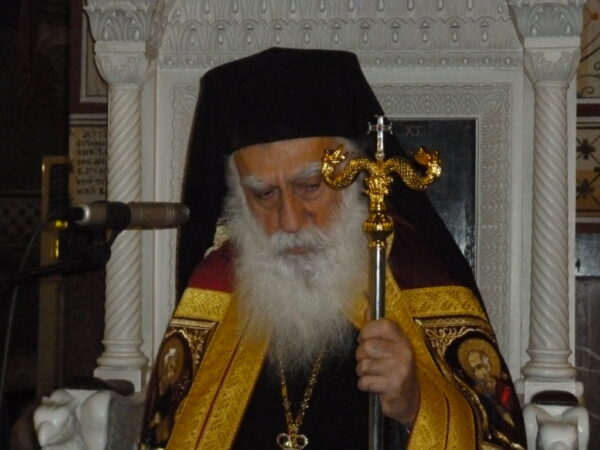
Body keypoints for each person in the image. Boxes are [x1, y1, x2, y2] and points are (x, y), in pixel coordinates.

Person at [140, 47, 526, 449]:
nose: (289, 221)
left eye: (310, 186)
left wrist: (414, 404)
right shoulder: (216, 286)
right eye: (264, 195)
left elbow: (495, 435)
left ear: (356, 176)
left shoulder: (416, 275)